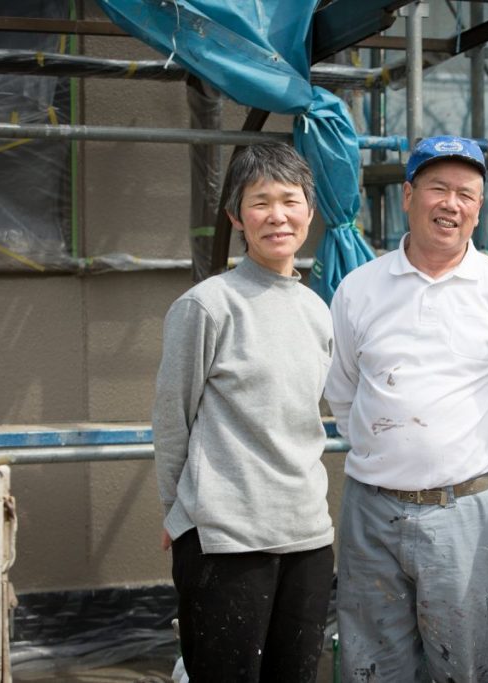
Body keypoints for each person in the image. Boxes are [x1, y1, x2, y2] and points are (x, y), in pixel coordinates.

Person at [324, 135, 488, 682]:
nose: (451, 204)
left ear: (479, 208)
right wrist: (393, 456)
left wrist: (457, 461)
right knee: (370, 663)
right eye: (438, 189)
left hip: (466, 512)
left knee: (469, 662)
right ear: (408, 196)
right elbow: (344, 392)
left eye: (466, 194)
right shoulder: (358, 288)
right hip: (371, 512)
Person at [152, 142, 334, 682]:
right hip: (225, 540)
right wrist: (177, 513)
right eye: (260, 202)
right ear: (236, 217)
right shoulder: (208, 305)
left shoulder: (316, 310)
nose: (277, 215)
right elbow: (172, 418)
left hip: (307, 535)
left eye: (290, 200)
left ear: (309, 211)